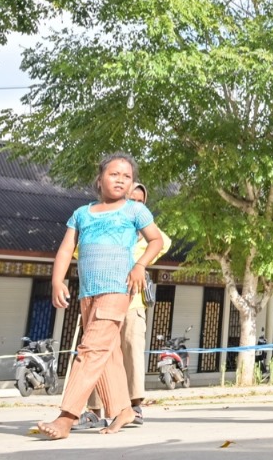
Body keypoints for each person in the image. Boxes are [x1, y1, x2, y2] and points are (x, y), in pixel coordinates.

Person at [35, 154, 164, 440]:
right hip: (87, 293)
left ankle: (67, 416)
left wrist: (140, 265)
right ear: (99, 178)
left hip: (117, 290)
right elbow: (67, 249)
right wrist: (58, 280)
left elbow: (156, 240)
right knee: (107, 354)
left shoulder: (134, 211)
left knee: (90, 350)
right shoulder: (82, 213)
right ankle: (122, 409)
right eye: (114, 174)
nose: (120, 179)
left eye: (126, 176)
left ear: (132, 184)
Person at [75, 182, 171, 431]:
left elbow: (162, 242)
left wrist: (139, 255)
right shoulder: (100, 224)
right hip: (101, 298)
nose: (136, 205)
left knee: (131, 351)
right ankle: (94, 410)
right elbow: (79, 251)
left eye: (141, 202)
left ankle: (134, 406)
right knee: (98, 353)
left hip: (132, 302)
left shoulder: (143, 231)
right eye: (131, 200)